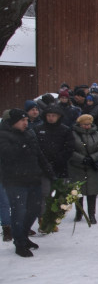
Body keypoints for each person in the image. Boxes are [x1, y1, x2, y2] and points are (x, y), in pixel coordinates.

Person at [0, 109, 53, 256]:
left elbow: (39, 155)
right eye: (22, 120)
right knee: (19, 212)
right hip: (15, 181)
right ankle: (19, 243)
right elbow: (7, 155)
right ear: (13, 122)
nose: (26, 123)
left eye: (26, 120)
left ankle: (23, 236)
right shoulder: (3, 135)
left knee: (34, 210)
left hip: (33, 178)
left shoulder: (29, 134)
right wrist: (23, 145)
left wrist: (49, 172)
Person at [68, 114, 98, 225]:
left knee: (92, 192)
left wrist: (92, 158)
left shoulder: (97, 134)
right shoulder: (72, 134)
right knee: (78, 191)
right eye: (84, 124)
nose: (87, 126)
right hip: (77, 166)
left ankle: (92, 214)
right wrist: (82, 158)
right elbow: (69, 150)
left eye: (88, 124)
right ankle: (79, 212)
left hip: (92, 167)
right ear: (79, 124)